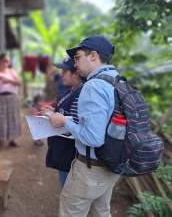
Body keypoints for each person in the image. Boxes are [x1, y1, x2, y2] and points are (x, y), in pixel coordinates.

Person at [49, 36, 121, 217]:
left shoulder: (94, 86)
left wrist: (65, 121)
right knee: (102, 212)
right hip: (112, 163)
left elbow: (93, 138)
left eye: (78, 57)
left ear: (93, 55)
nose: (76, 63)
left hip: (91, 168)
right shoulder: (117, 80)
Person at [44, 58, 83, 187]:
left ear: (76, 74)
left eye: (65, 71)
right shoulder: (71, 90)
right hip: (62, 151)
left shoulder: (81, 95)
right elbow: (63, 112)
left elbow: (74, 125)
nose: (61, 75)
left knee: (68, 187)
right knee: (64, 183)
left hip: (69, 154)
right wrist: (52, 111)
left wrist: (52, 116)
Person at [0, 53, 21, 147]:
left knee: (12, 119)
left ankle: (12, 140)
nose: (6, 63)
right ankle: (0, 139)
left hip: (11, 98)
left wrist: (8, 80)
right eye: (4, 60)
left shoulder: (12, 71)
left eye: (7, 61)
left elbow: (18, 83)